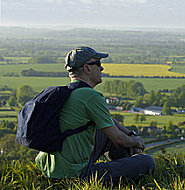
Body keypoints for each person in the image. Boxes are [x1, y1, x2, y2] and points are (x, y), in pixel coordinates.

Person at [35, 46, 155, 185]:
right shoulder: (90, 96)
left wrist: (130, 134)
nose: (102, 68)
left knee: (104, 131)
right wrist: (136, 142)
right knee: (147, 162)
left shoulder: (66, 93)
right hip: (75, 176)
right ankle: (126, 175)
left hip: (49, 169)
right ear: (87, 68)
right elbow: (118, 140)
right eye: (98, 64)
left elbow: (107, 120)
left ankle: (122, 171)